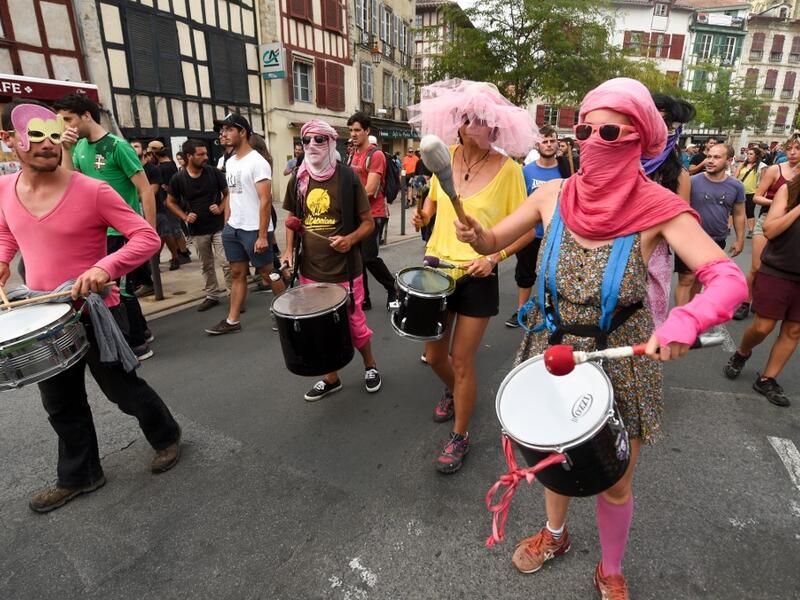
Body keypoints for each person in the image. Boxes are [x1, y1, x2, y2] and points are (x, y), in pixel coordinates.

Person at [456, 78, 747, 598]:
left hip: (622, 356)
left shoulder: (660, 209)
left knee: (614, 478)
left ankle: (611, 566)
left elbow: (727, 278)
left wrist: (685, 321)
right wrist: (479, 235)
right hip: (553, 351)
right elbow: (498, 236)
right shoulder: (553, 194)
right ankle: (555, 535)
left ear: (640, 139)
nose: (591, 140)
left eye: (607, 130)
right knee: (554, 462)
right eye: (584, 128)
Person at [0, 100, 181, 513]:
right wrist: (2, 263)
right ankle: (80, 475)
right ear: (9, 140)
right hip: (45, 317)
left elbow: (146, 238)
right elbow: (7, 233)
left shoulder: (91, 189)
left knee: (122, 390)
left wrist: (105, 266)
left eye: (51, 134)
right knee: (60, 402)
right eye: (34, 136)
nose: (46, 144)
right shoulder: (4, 192)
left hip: (97, 311)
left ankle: (167, 435)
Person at [408, 79, 536, 473]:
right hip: (436, 270)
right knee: (433, 357)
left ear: (496, 126)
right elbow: (432, 199)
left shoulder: (510, 170)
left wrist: (494, 256)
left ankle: (460, 435)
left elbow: (528, 229)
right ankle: (455, 390)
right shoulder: (442, 157)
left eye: (482, 120)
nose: (474, 126)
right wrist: (424, 214)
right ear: (458, 123)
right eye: (467, 119)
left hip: (477, 274)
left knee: (462, 361)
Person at [280, 120, 382, 400]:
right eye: (306, 141)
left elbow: (368, 223)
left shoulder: (348, 178)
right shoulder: (299, 179)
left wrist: (350, 240)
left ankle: (370, 366)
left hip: (346, 271)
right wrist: (289, 251)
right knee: (319, 330)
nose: (311, 146)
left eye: (319, 140)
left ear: (331, 143)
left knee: (355, 326)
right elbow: (293, 222)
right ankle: (331, 377)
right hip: (311, 270)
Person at [54, 93, 155, 360]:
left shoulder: (117, 146)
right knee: (112, 287)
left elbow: (145, 190)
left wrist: (149, 232)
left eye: (68, 119)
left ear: (86, 115)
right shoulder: (79, 147)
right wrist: (65, 150)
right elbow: (69, 182)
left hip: (123, 230)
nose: (65, 126)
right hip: (97, 233)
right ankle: (141, 332)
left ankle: (137, 343)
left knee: (121, 289)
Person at [205, 113, 284, 334]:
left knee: (268, 273)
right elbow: (231, 195)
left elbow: (265, 200)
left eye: (230, 129)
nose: (224, 134)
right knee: (237, 273)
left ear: (243, 132)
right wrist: (227, 224)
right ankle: (232, 321)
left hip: (254, 230)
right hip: (234, 228)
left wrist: (261, 236)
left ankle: (287, 310)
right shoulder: (230, 162)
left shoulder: (257, 162)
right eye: (223, 130)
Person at [724, 177, 800, 407]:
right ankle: (742, 352)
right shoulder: (790, 189)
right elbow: (770, 229)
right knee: (763, 326)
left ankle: (767, 378)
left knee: (794, 330)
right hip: (778, 269)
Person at [505, 125, 570, 328]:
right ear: (537, 144)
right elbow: (520, 201)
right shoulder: (526, 171)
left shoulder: (566, 170)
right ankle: (521, 311)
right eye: (545, 141)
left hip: (557, 235)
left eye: (552, 141)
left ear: (558, 143)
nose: (549, 145)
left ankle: (552, 311)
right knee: (524, 275)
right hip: (531, 234)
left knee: (553, 275)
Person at [734, 135, 800, 320]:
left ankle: (765, 300)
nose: (793, 152)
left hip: (794, 226)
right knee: (757, 266)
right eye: (790, 148)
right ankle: (745, 302)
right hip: (768, 219)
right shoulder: (775, 169)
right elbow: (757, 197)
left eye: (798, 148)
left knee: (784, 269)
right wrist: (780, 202)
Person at [673, 144, 745, 307]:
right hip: (689, 239)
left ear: (729, 161)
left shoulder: (736, 186)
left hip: (716, 240)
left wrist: (740, 239)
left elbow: (739, 214)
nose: (710, 161)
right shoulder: (691, 181)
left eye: (717, 157)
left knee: (700, 279)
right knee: (686, 279)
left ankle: (690, 316)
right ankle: (681, 322)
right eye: (709, 156)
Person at [644, 94, 694, 325]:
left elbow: (682, 228)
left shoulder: (680, 177)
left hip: (654, 257)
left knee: (649, 323)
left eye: (664, 125)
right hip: (612, 251)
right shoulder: (620, 166)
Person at [166, 139, 232, 312]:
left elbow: (227, 194)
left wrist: (221, 207)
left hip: (218, 227)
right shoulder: (178, 178)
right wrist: (185, 216)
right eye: (200, 154)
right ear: (189, 156)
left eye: (206, 153)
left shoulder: (213, 173)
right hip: (197, 230)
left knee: (226, 261)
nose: (205, 157)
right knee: (206, 265)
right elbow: (170, 202)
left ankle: (234, 294)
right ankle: (212, 295)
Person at [347, 113, 398, 310]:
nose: (353, 134)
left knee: (368, 257)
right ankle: (364, 298)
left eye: (357, 130)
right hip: (357, 215)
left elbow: (369, 190)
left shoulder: (375, 155)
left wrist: (347, 202)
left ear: (367, 131)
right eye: (351, 130)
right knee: (358, 260)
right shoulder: (353, 154)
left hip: (373, 214)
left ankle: (393, 288)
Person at [147, 140, 190, 271]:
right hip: (169, 200)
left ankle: (180, 253)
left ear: (154, 153)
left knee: (171, 229)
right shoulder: (169, 163)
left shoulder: (162, 167)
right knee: (168, 230)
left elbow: (167, 185)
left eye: (150, 154)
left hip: (167, 202)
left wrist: (167, 197)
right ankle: (179, 253)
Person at [734, 146, 765, 240]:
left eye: (751, 154)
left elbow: (763, 180)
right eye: (748, 154)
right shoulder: (742, 164)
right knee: (734, 211)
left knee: (749, 212)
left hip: (751, 192)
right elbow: (735, 176)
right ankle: (731, 228)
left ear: (756, 156)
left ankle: (751, 230)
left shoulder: (761, 166)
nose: (748, 156)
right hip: (739, 191)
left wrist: (760, 192)